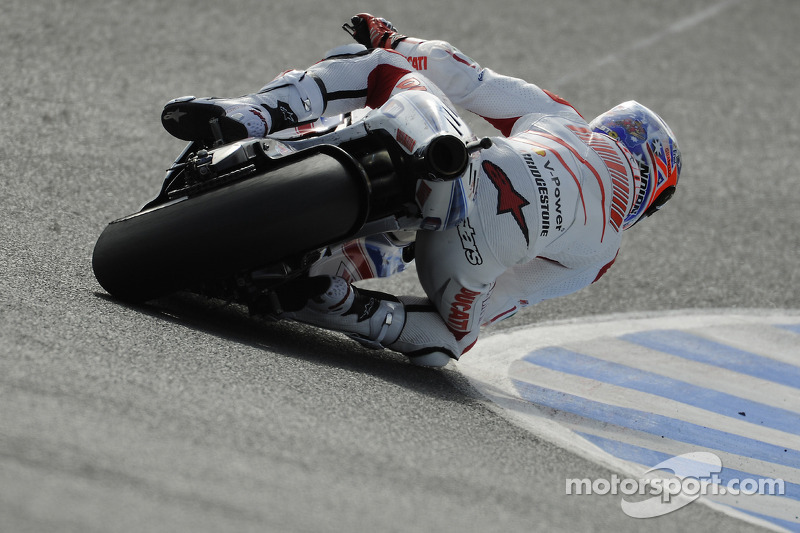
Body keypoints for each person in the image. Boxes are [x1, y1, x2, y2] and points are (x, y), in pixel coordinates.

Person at [161, 14, 682, 367]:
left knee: (379, 69)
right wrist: (464, 304)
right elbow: (505, 300)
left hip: (453, 167)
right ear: (648, 191)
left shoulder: (566, 119)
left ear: (611, 126)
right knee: (454, 340)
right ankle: (329, 302)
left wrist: (393, 41)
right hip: (460, 260)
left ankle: (251, 114)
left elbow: (466, 78)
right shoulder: (603, 252)